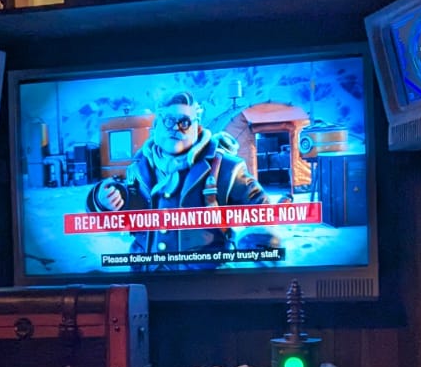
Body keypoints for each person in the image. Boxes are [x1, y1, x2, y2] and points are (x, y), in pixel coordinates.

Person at [86, 90, 280, 262]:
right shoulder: (138, 168)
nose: (176, 128)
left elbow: (262, 211)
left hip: (206, 278)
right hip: (146, 275)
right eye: (168, 120)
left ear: (197, 127)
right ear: (156, 125)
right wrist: (104, 200)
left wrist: (258, 242)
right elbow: (119, 214)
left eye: (185, 122)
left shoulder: (226, 168)